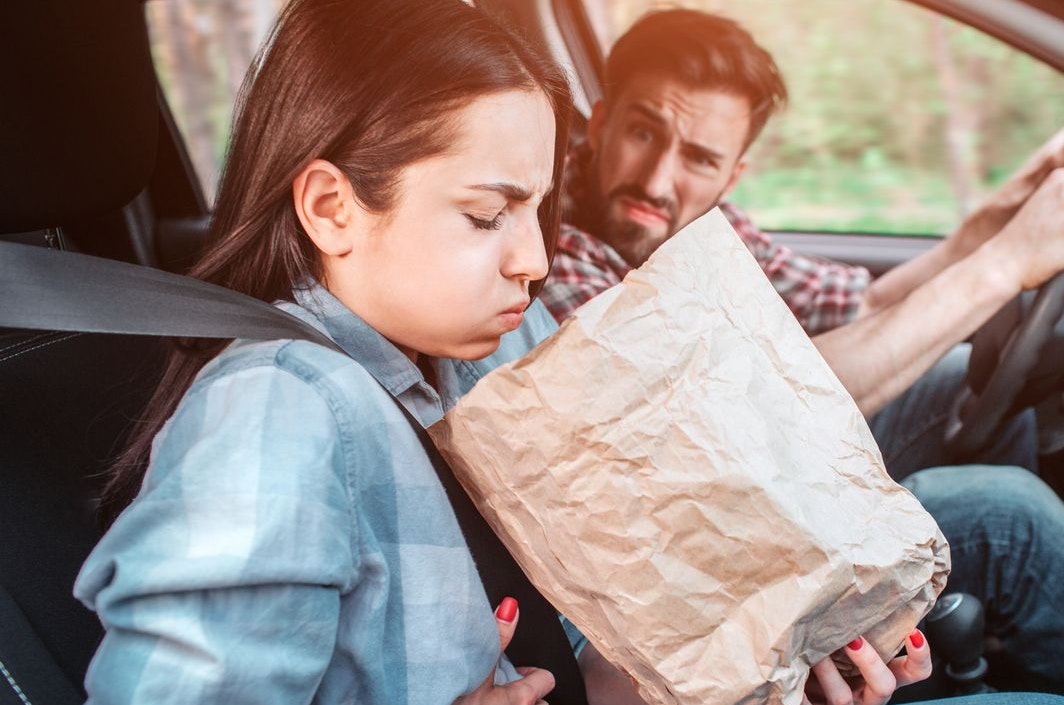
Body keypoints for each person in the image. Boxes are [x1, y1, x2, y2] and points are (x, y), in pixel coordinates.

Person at [70, 1, 946, 703]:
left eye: (539, 209)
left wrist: (771, 654)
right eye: (487, 216)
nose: (534, 258)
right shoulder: (275, 413)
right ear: (333, 208)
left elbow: (573, 667)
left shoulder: (492, 355)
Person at [540, 8, 1064, 480]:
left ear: (732, 176)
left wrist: (1012, 208)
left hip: (745, 472)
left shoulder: (702, 225)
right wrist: (1009, 264)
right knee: (1009, 524)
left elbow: (864, 307)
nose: (656, 180)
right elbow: (751, 415)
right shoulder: (547, 247)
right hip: (685, 520)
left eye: (698, 158)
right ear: (599, 122)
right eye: (644, 132)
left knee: (962, 373)